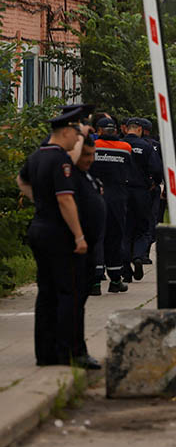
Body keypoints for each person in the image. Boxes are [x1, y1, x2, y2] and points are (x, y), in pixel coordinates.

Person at [16, 104, 96, 368]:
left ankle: (45, 353)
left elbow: (22, 181)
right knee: (68, 292)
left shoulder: (38, 156)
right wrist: (79, 236)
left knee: (46, 292)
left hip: (39, 228)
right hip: (59, 234)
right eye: (76, 134)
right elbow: (65, 201)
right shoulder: (60, 159)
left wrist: (40, 201)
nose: (77, 140)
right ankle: (70, 352)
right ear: (65, 132)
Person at [71, 136, 105, 364]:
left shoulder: (87, 175)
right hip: (77, 246)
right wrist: (79, 237)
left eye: (92, 155)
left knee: (80, 297)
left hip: (90, 246)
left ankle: (75, 348)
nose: (89, 160)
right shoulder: (69, 174)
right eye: (85, 155)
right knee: (72, 300)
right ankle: (74, 350)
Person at [91, 117, 134, 293]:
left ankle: (94, 282)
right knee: (115, 237)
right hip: (118, 197)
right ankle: (115, 280)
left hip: (96, 196)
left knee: (96, 237)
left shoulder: (93, 147)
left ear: (99, 131)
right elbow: (129, 172)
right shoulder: (125, 148)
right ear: (115, 130)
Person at [123, 117, 161, 282]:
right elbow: (156, 168)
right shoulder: (146, 146)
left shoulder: (120, 145)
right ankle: (138, 256)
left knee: (125, 230)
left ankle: (125, 270)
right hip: (141, 192)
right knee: (143, 227)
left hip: (122, 192)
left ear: (127, 129)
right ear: (139, 129)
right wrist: (154, 183)